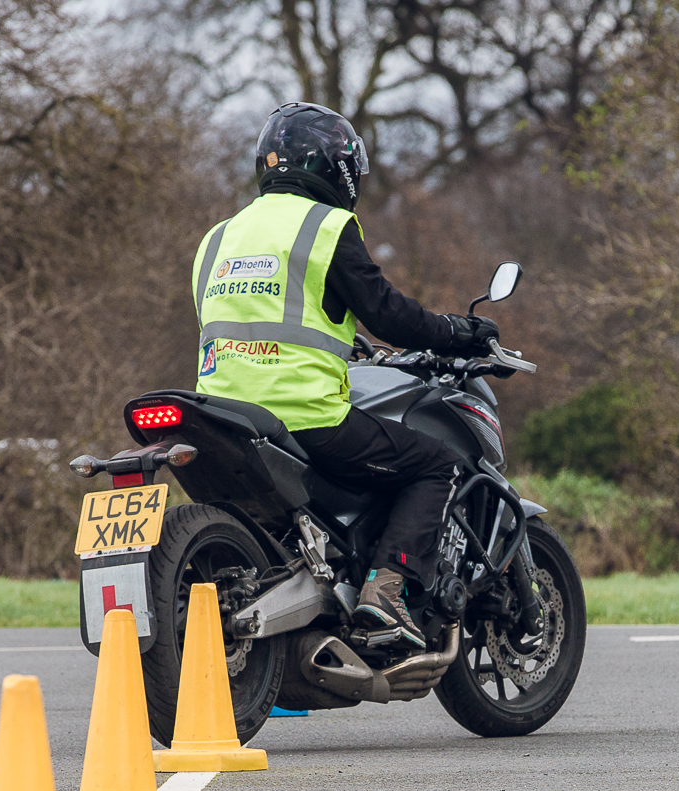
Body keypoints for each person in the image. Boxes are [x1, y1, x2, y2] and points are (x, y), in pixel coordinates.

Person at [191, 102, 499, 649]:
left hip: (219, 413)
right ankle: (386, 590)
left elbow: (263, 316)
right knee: (438, 465)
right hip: (304, 415)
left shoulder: (218, 237)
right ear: (340, 166)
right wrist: (458, 331)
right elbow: (387, 314)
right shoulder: (326, 225)